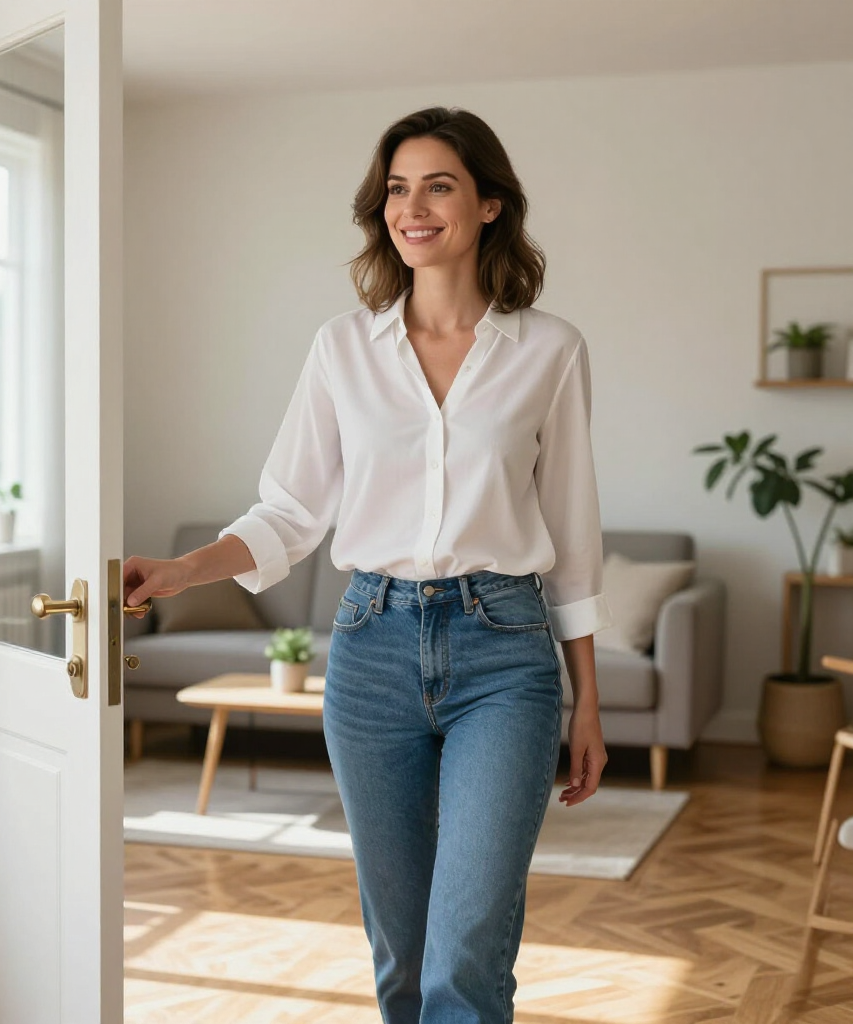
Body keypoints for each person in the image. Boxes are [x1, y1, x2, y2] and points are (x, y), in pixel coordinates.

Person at [124, 106, 612, 1024]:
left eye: (439, 185)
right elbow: (291, 509)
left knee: (465, 949)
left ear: (492, 205)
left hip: (504, 653)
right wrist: (183, 569)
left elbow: (572, 535)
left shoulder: (550, 349)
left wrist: (587, 700)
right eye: (397, 187)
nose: (412, 207)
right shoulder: (342, 348)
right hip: (370, 648)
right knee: (401, 943)